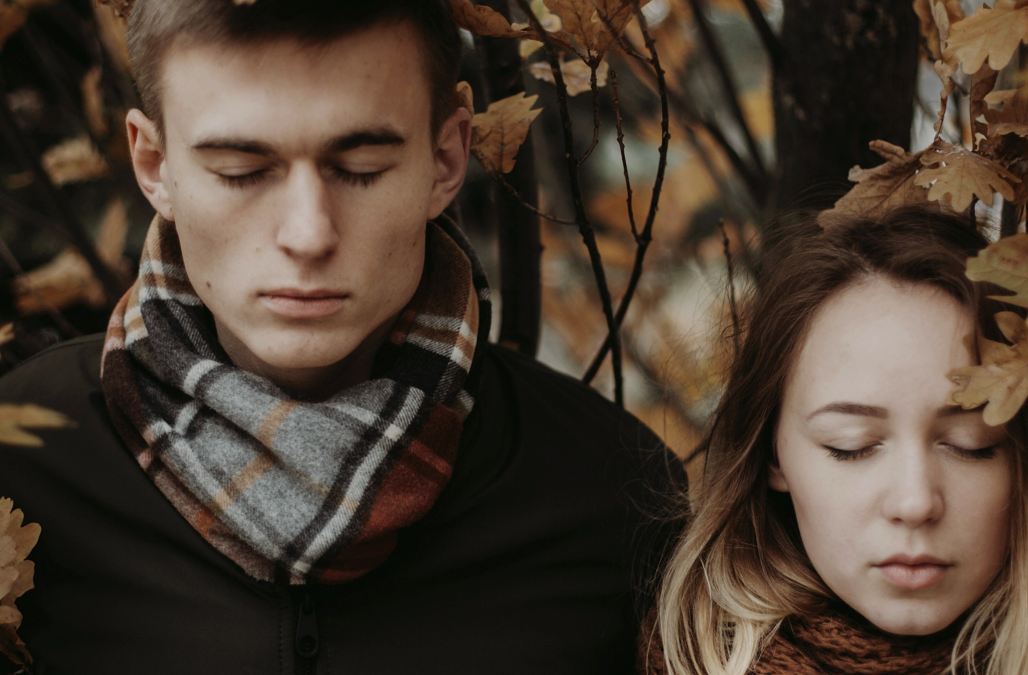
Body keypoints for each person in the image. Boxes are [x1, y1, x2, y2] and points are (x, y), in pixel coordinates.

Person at [0, 2, 683, 673]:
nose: (308, 234)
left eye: (360, 169)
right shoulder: (22, 469)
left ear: (447, 158)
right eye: (241, 172)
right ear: (155, 167)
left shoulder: (612, 496)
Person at [646, 207, 1028, 675]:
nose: (914, 502)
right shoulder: (684, 659)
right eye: (852, 444)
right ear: (773, 455)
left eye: (971, 443)